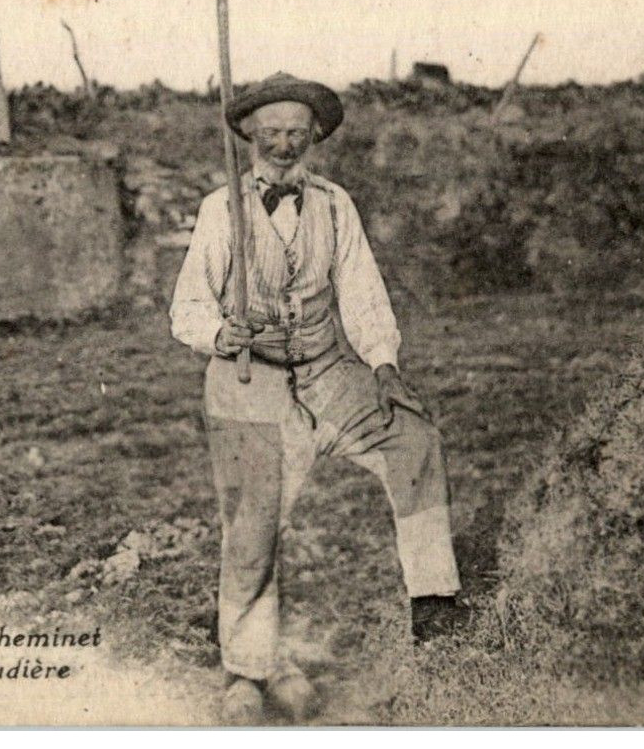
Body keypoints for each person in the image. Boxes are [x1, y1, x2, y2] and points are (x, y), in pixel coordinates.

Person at [170, 71, 464, 725]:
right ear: (248, 136)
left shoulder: (335, 204)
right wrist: (222, 332)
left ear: (313, 140)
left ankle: (435, 607)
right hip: (250, 380)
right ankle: (251, 671)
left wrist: (383, 364)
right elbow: (185, 307)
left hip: (330, 371)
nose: (283, 145)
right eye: (271, 133)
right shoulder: (223, 209)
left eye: (295, 134)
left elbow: (361, 293)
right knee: (254, 525)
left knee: (413, 440)